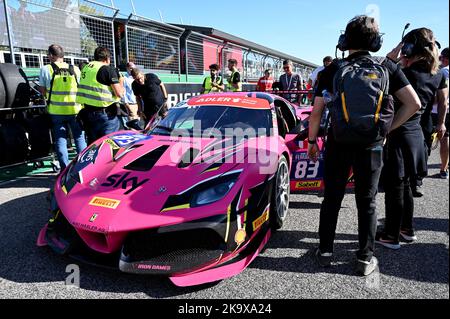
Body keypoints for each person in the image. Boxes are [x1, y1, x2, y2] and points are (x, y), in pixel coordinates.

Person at [308, 15, 421, 276]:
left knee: (332, 198)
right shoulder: (387, 68)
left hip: (338, 141)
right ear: (375, 41)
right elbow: (414, 103)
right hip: (371, 144)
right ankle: (364, 258)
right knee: (367, 201)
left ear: (345, 40)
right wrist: (385, 129)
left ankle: (325, 252)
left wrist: (313, 141)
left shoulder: (332, 69)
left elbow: (316, 112)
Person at [376, 28, 447, 249]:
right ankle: (406, 229)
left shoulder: (403, 73)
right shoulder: (438, 74)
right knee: (405, 184)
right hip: (416, 133)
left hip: (399, 132)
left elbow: (383, 67)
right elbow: (442, 102)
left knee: (395, 186)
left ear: (409, 47)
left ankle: (391, 235)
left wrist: (395, 53)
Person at [39, 44, 86, 171]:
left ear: (51, 55)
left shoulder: (45, 69)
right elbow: (81, 88)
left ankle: (64, 170)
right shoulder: (75, 69)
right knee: (79, 138)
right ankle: (83, 168)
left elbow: (42, 91)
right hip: (75, 110)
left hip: (56, 111)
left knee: (61, 140)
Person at [76, 47, 124, 144]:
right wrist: (121, 81)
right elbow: (119, 94)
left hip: (88, 112)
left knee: (93, 145)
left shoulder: (86, 68)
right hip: (105, 115)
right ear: (107, 58)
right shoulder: (107, 69)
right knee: (108, 145)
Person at [433, 47, 449, 179]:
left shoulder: (443, 72)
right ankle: (444, 169)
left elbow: (439, 97)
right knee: (446, 139)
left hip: (437, 110)